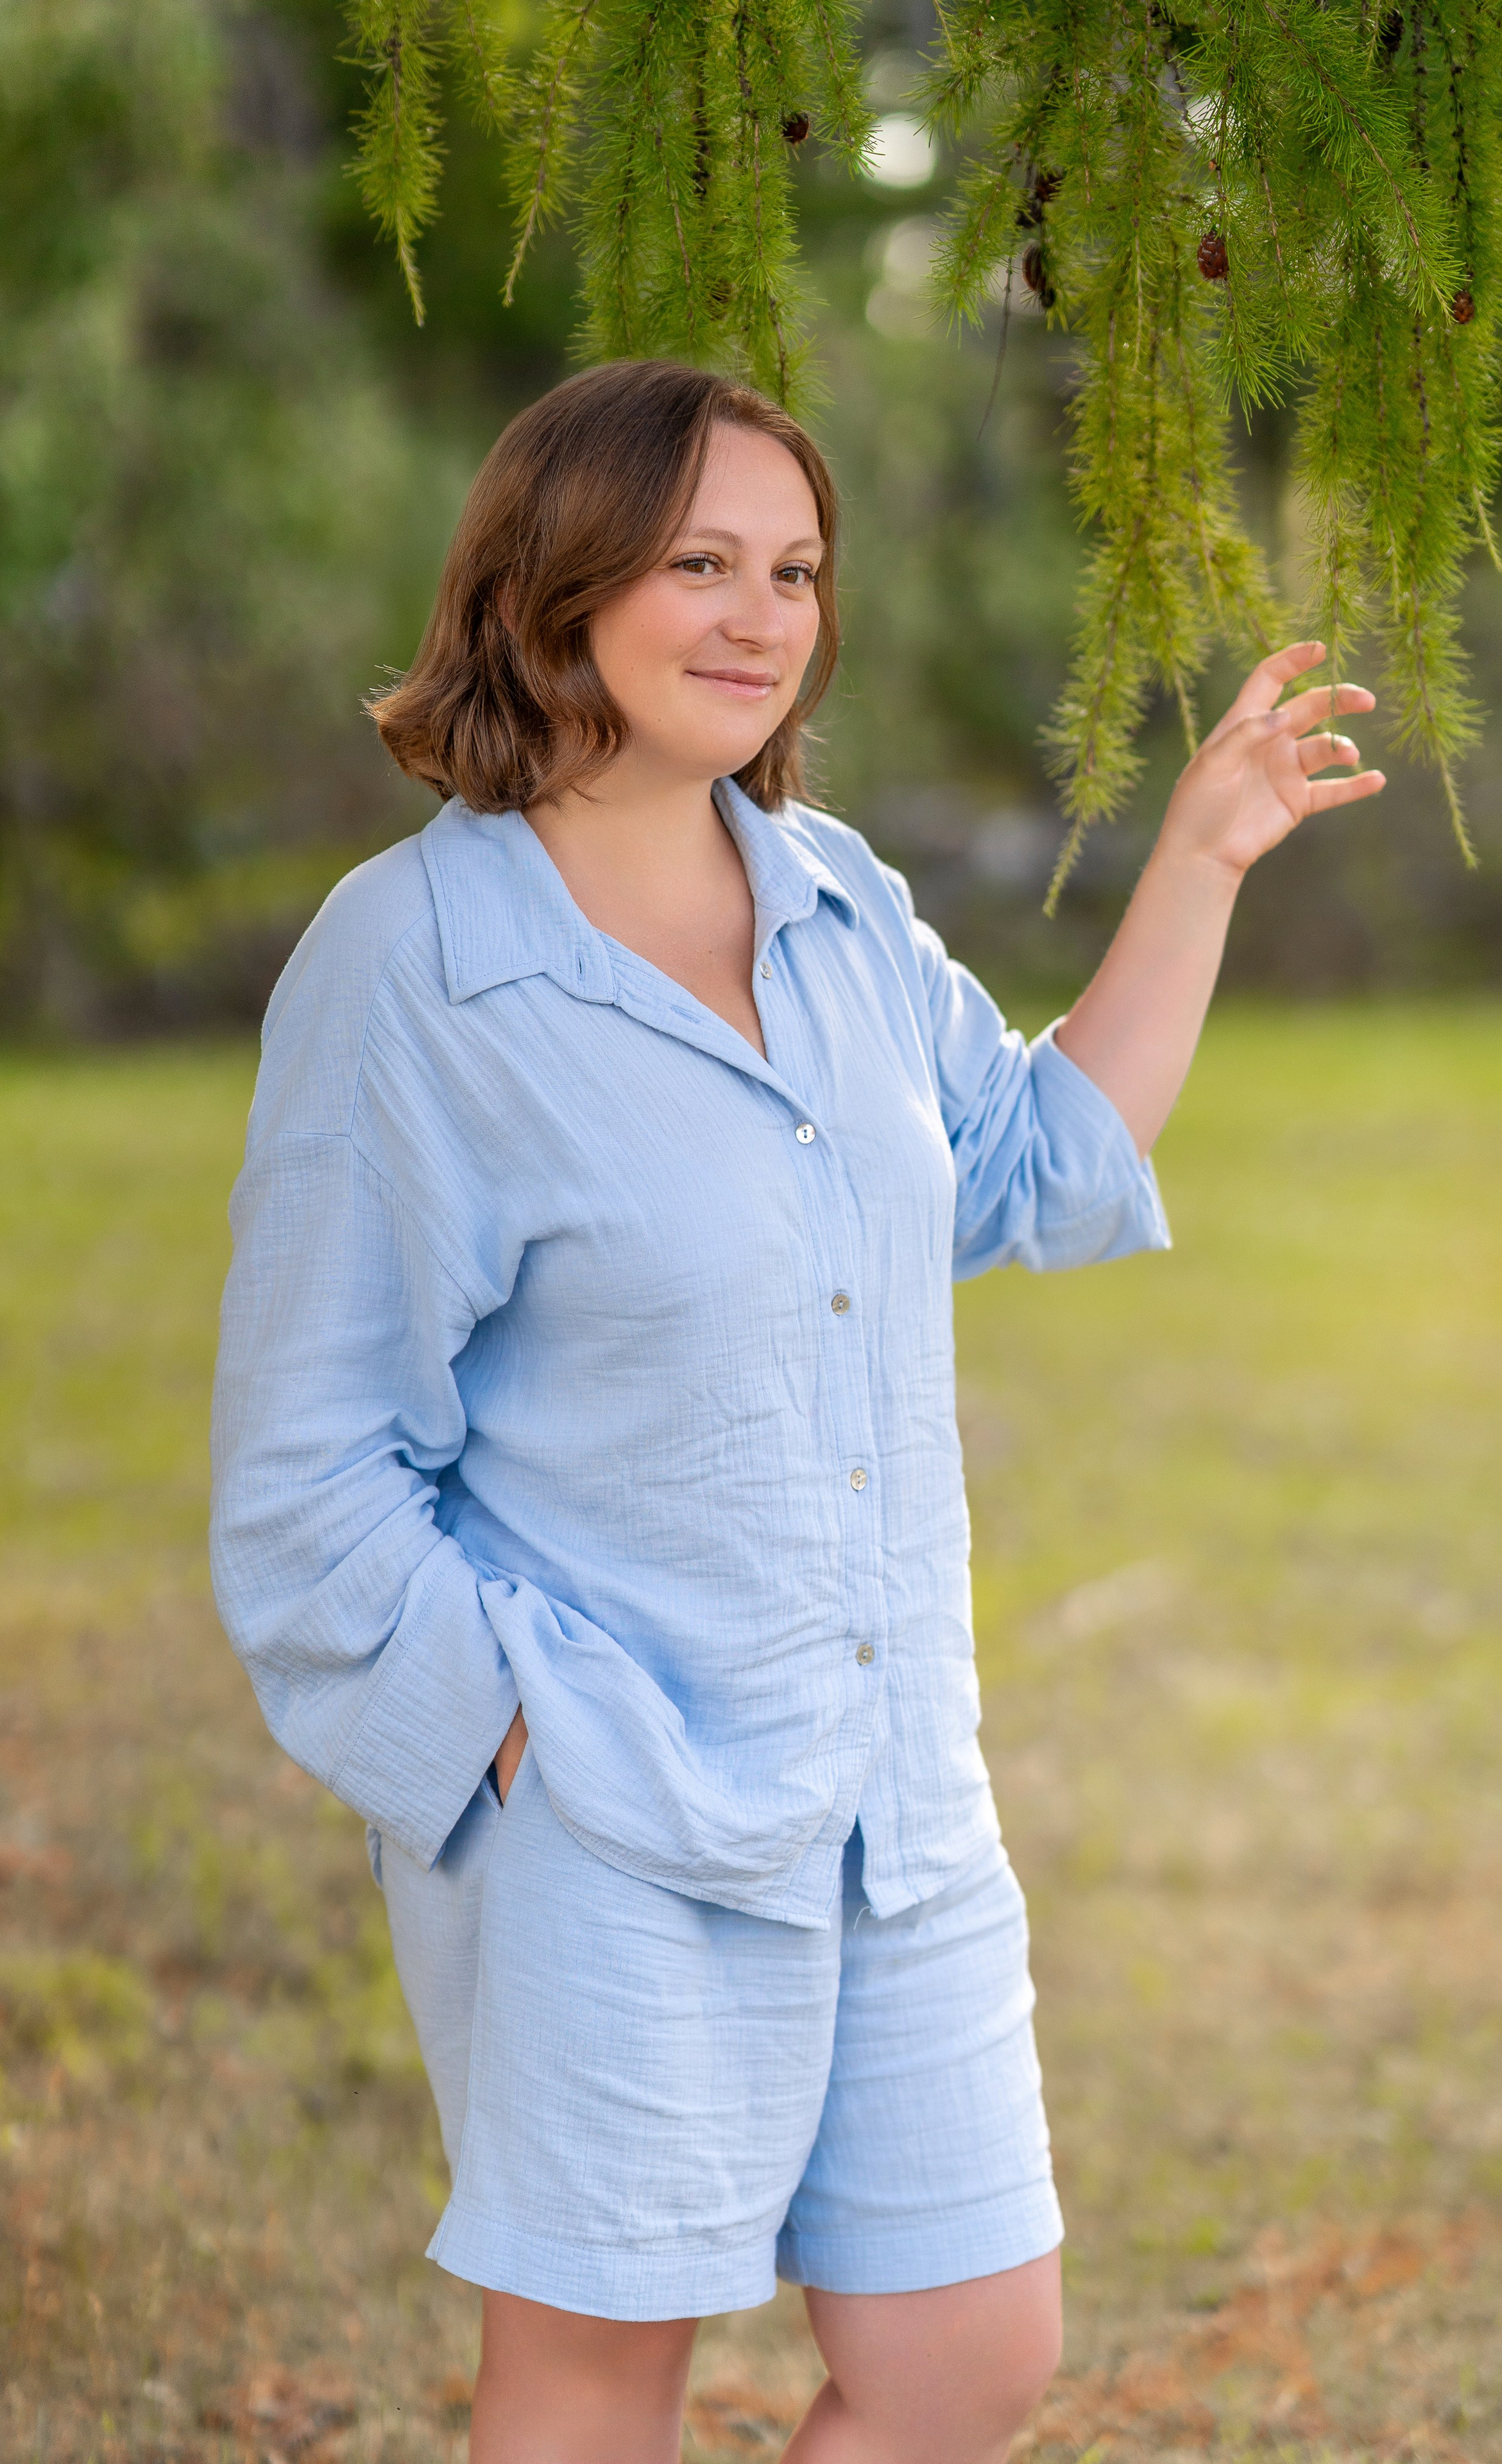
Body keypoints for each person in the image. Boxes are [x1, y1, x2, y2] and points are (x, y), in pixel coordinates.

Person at [209, 357, 1384, 2463]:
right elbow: (310, 1483)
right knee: (595, 2384)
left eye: (796, 572)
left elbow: (1021, 1163)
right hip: (612, 1814)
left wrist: (1202, 856)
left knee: (968, 2359)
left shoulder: (832, 901)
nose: (760, 618)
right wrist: (531, 1751)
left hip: (890, 1799)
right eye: (700, 565)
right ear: (554, 581)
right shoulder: (407, 972)